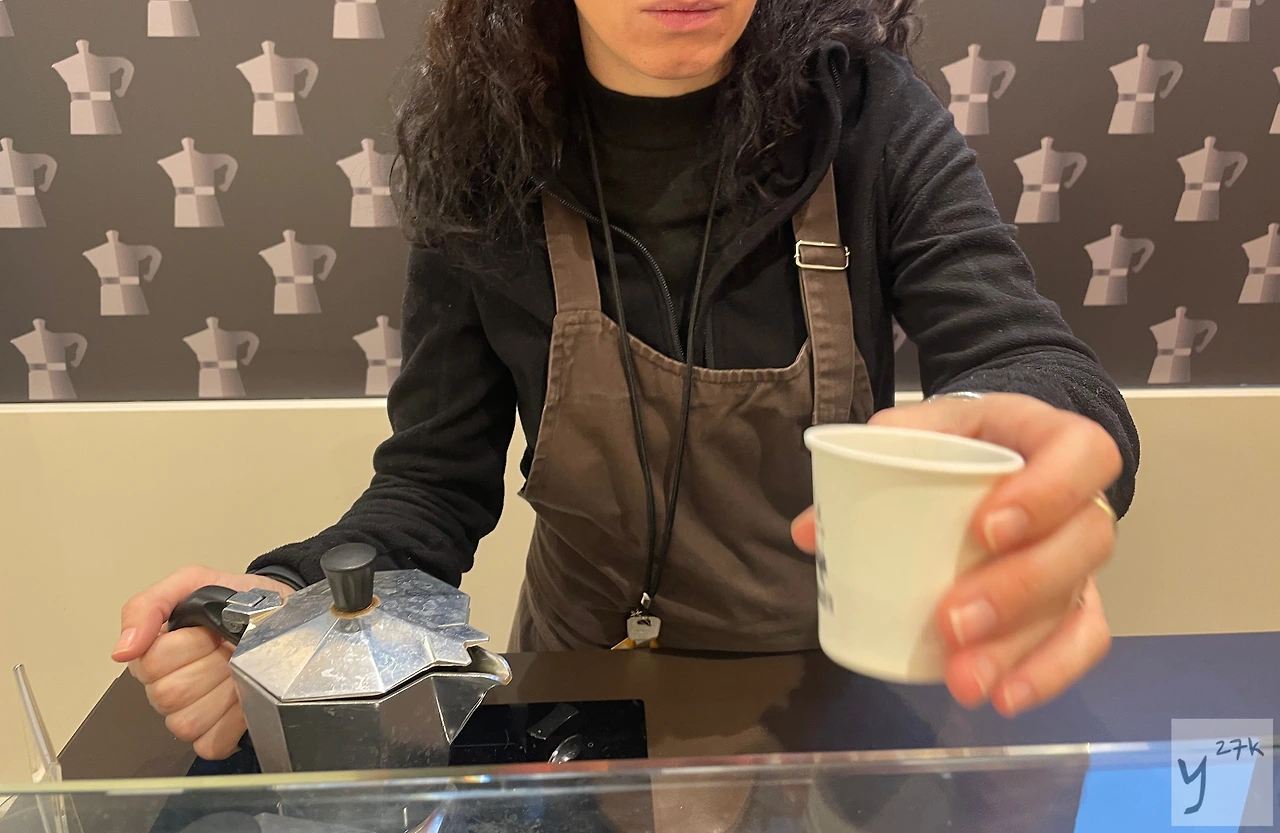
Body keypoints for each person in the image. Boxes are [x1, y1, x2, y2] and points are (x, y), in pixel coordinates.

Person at [113, 0, 1139, 762]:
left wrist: (1030, 451)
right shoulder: (483, 148)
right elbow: (432, 485)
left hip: (831, 699)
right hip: (575, 703)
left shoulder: (865, 112)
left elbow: (1029, 359)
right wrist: (289, 600)